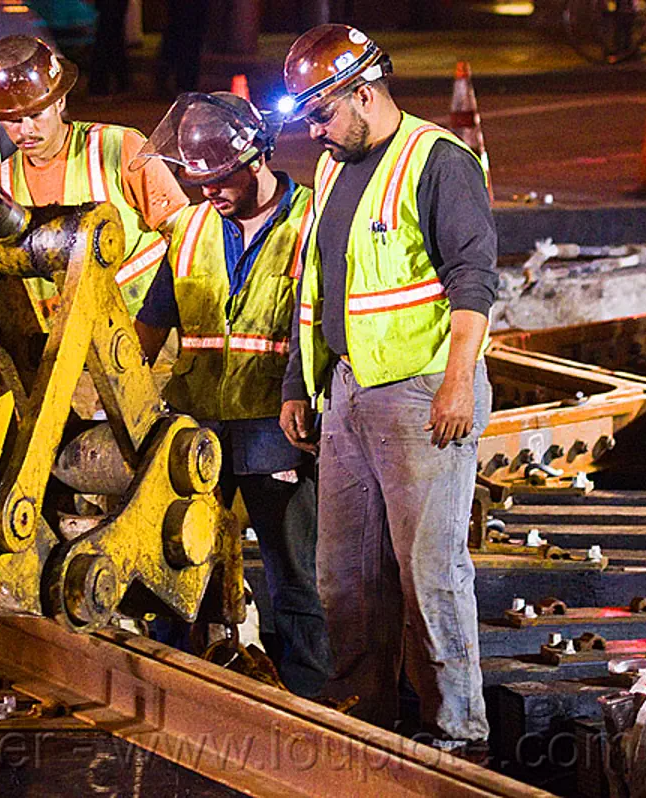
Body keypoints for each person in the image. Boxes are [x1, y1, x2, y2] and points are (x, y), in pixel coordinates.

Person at [278, 25, 498, 756]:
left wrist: (458, 385)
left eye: (322, 114)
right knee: (344, 578)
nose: (314, 132)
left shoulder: (438, 161)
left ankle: (457, 736)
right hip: (348, 394)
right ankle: (364, 719)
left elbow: (474, 282)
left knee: (428, 576)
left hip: (424, 393)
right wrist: (299, 382)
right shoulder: (333, 167)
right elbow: (316, 286)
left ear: (365, 95)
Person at [132, 92, 330, 698]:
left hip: (278, 427)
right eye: (202, 180)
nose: (210, 192)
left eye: (221, 178)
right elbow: (151, 323)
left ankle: (308, 697)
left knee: (291, 575)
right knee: (178, 560)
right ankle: (180, 687)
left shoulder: (311, 223)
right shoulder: (189, 229)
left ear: (259, 159)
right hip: (196, 429)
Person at [0, 35, 189, 318]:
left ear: (59, 102)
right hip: (62, 350)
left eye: (36, 115)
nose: (25, 130)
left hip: (146, 337)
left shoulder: (118, 148)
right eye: (13, 120)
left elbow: (186, 237)